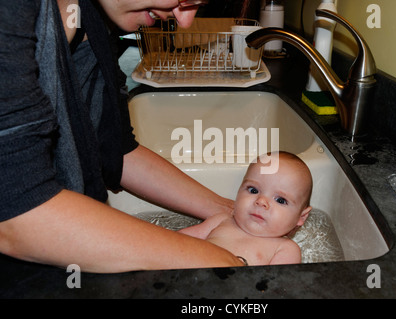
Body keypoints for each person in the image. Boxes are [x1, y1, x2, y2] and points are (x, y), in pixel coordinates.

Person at [0, 0, 245, 272]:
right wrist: (222, 261)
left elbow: (117, 150)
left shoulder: (92, 20)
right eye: (184, 0)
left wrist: (228, 210)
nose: (184, 22)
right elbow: (17, 214)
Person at [179, 152, 313, 266]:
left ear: (301, 217)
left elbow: (277, 287)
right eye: (253, 190)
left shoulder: (285, 249)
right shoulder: (220, 220)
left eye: (280, 200)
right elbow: (178, 242)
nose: (261, 201)